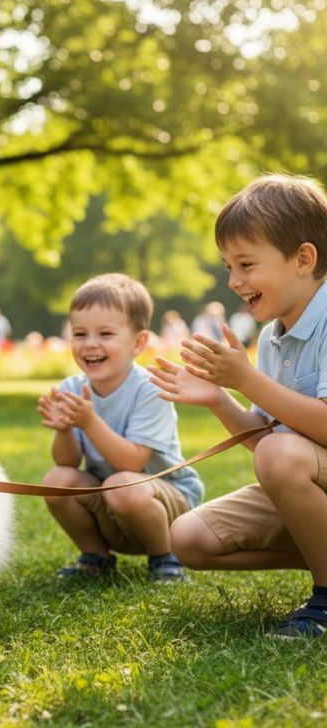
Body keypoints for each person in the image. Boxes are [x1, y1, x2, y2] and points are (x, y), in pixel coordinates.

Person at [149, 173, 327, 639]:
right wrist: (219, 396)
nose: (233, 281)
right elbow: (272, 445)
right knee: (189, 539)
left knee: (279, 456)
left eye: (246, 264)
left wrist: (246, 377)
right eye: (228, 266)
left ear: (303, 259)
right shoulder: (272, 338)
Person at [38, 273, 203, 582]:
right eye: (80, 333)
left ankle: (166, 557)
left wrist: (88, 421)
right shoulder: (72, 387)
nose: (90, 344)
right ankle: (96, 557)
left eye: (105, 334)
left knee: (123, 484)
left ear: (138, 342)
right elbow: (68, 463)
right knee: (57, 479)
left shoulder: (149, 389)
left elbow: (132, 462)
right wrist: (63, 429)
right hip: (113, 496)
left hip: (167, 504)